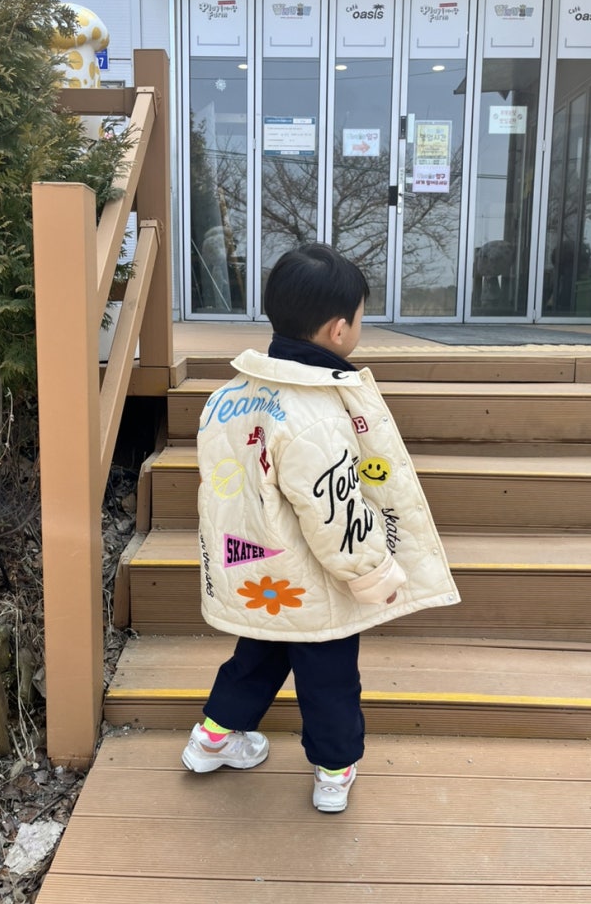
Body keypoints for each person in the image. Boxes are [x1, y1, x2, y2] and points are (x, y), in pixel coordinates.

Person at [181, 243, 460, 811]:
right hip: (313, 580)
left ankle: (211, 739)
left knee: (257, 655)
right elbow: (335, 510)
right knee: (328, 674)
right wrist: (372, 572)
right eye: (360, 319)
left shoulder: (228, 396)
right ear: (338, 330)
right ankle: (333, 772)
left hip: (252, 566)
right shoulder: (315, 413)